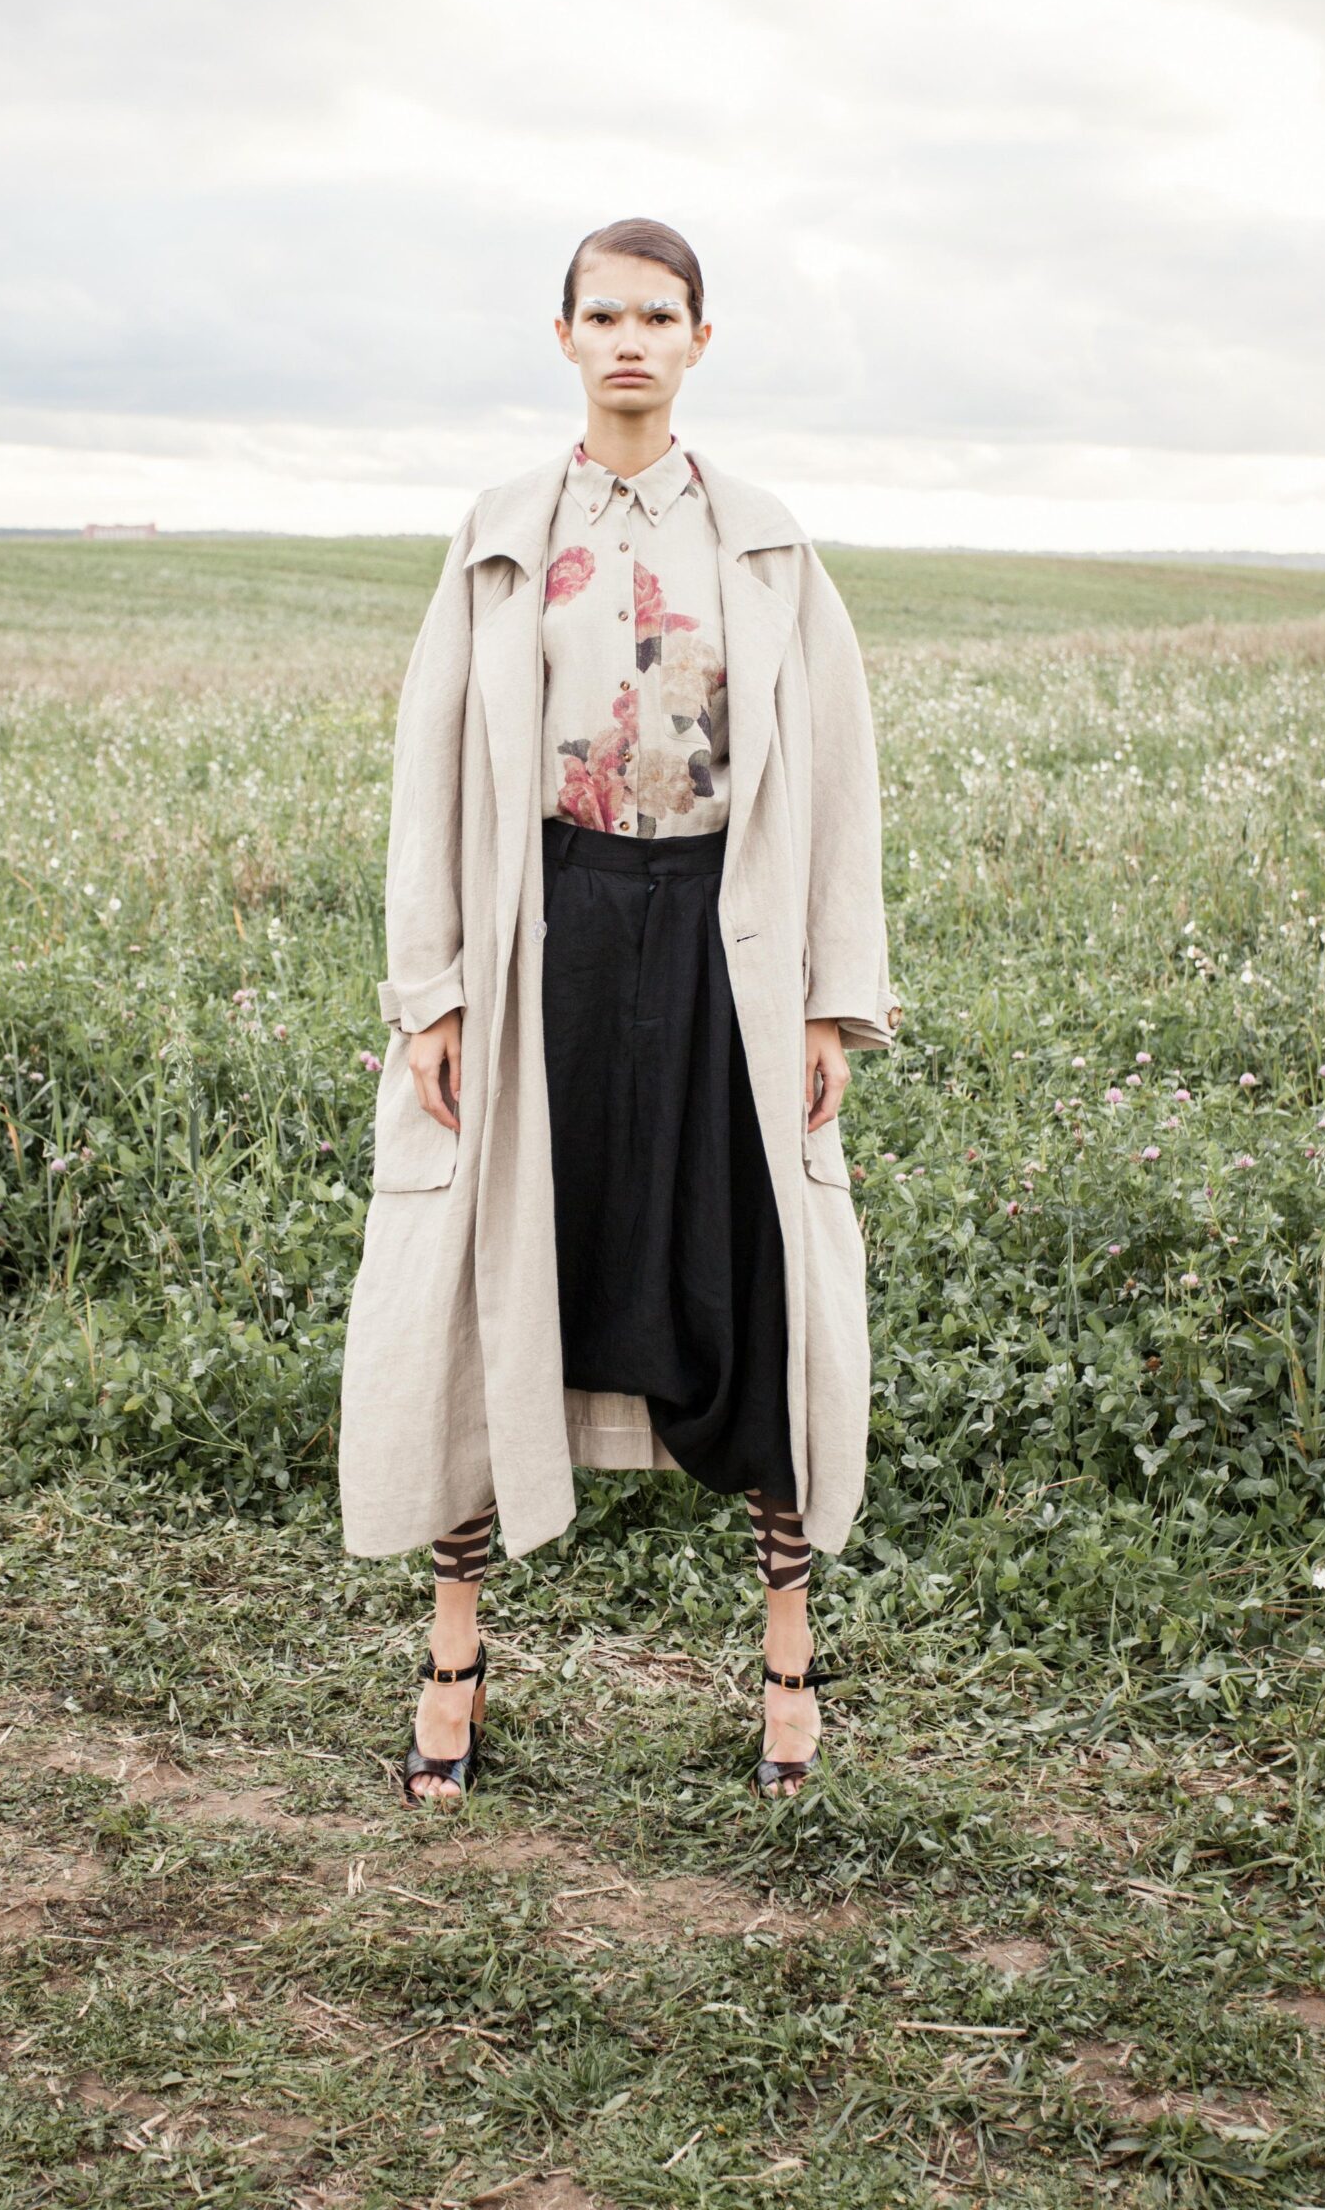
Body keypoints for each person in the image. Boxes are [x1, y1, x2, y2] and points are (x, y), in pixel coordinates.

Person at [338, 217, 902, 1805]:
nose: (632, 339)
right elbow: (431, 770)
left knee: (763, 1296)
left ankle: (789, 1681)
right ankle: (453, 1665)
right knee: (485, 1275)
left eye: (662, 314)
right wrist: (432, 991)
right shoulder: (504, 532)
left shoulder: (771, 541)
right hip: (549, 932)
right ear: (566, 335)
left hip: (727, 938)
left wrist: (829, 1004)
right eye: (606, 314)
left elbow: (840, 782)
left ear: (701, 342)